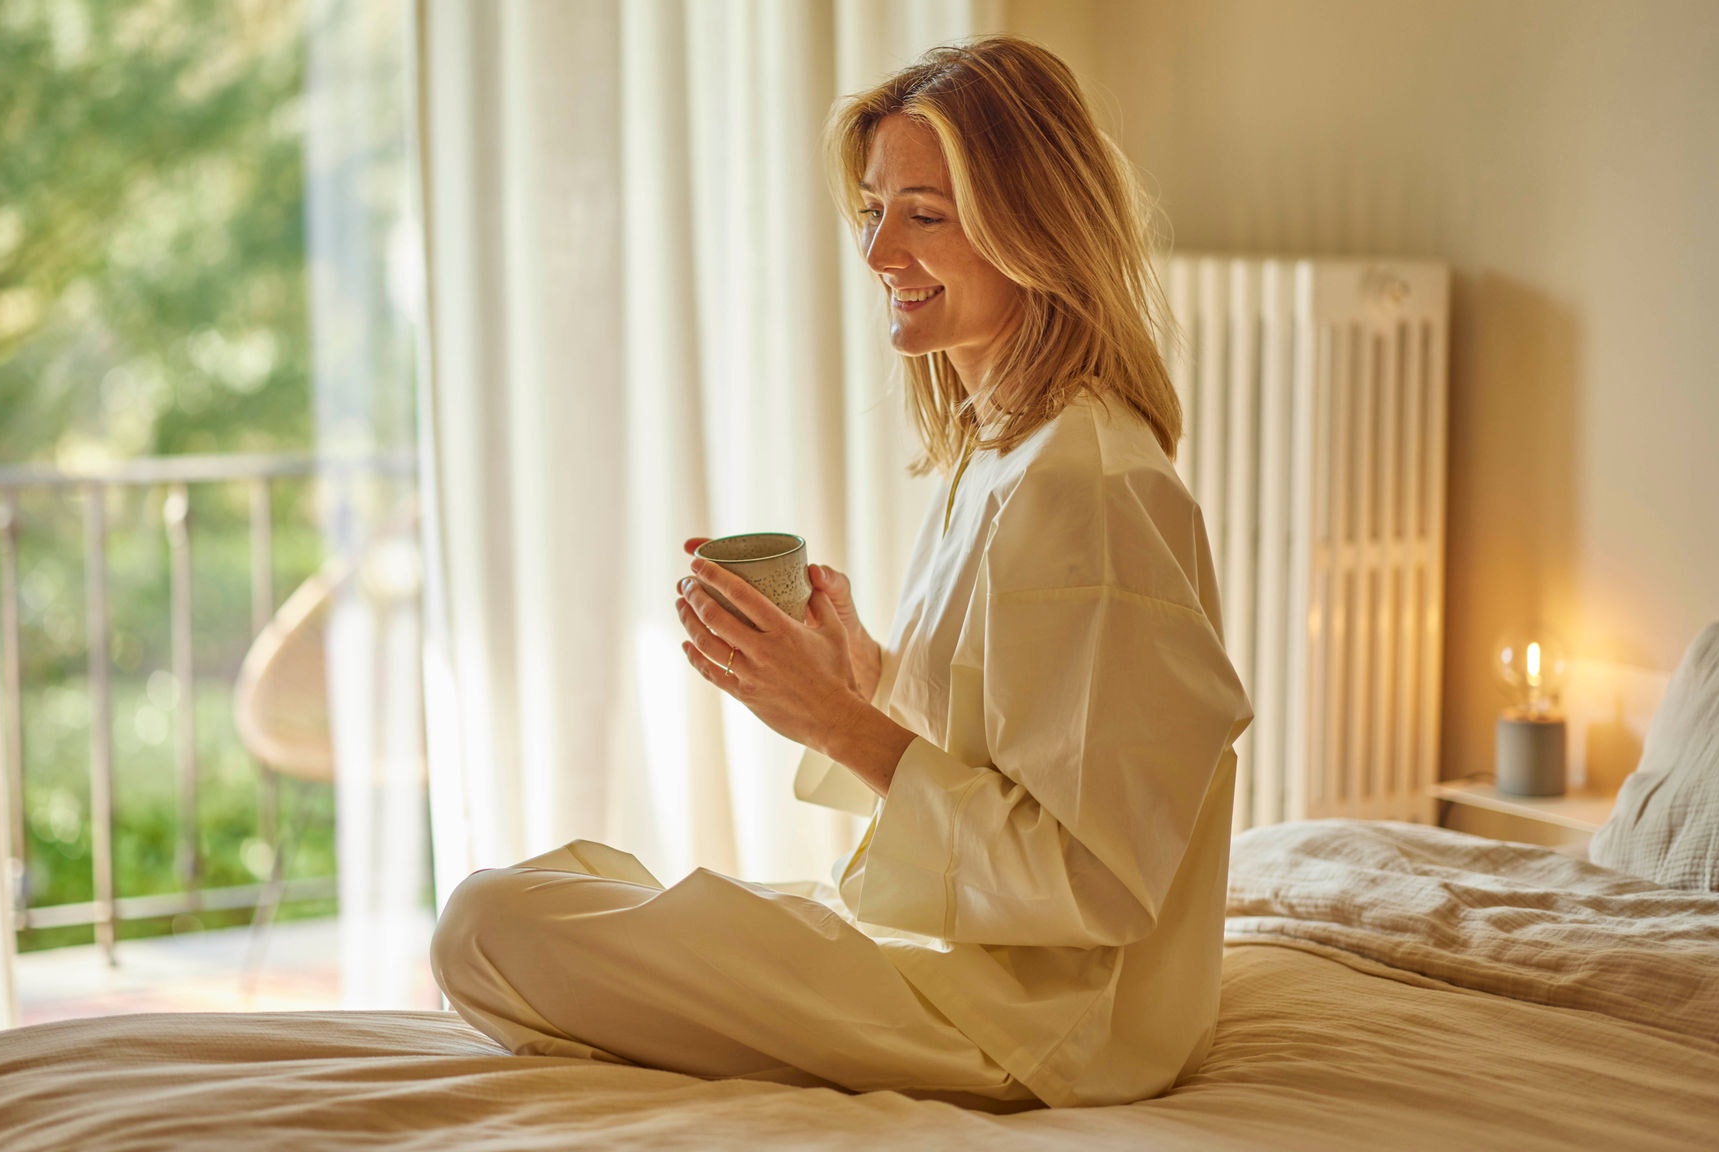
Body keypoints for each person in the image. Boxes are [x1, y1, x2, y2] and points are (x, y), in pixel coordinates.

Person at [430, 35, 1252, 1111]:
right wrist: (857, 672)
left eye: (922, 214)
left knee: (488, 928)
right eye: (872, 211)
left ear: (1032, 226)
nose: (874, 255)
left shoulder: (1082, 485)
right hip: (963, 974)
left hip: (1039, 1028)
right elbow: (1015, 746)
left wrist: (838, 724)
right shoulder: (1006, 449)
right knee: (545, 892)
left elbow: (1093, 880)